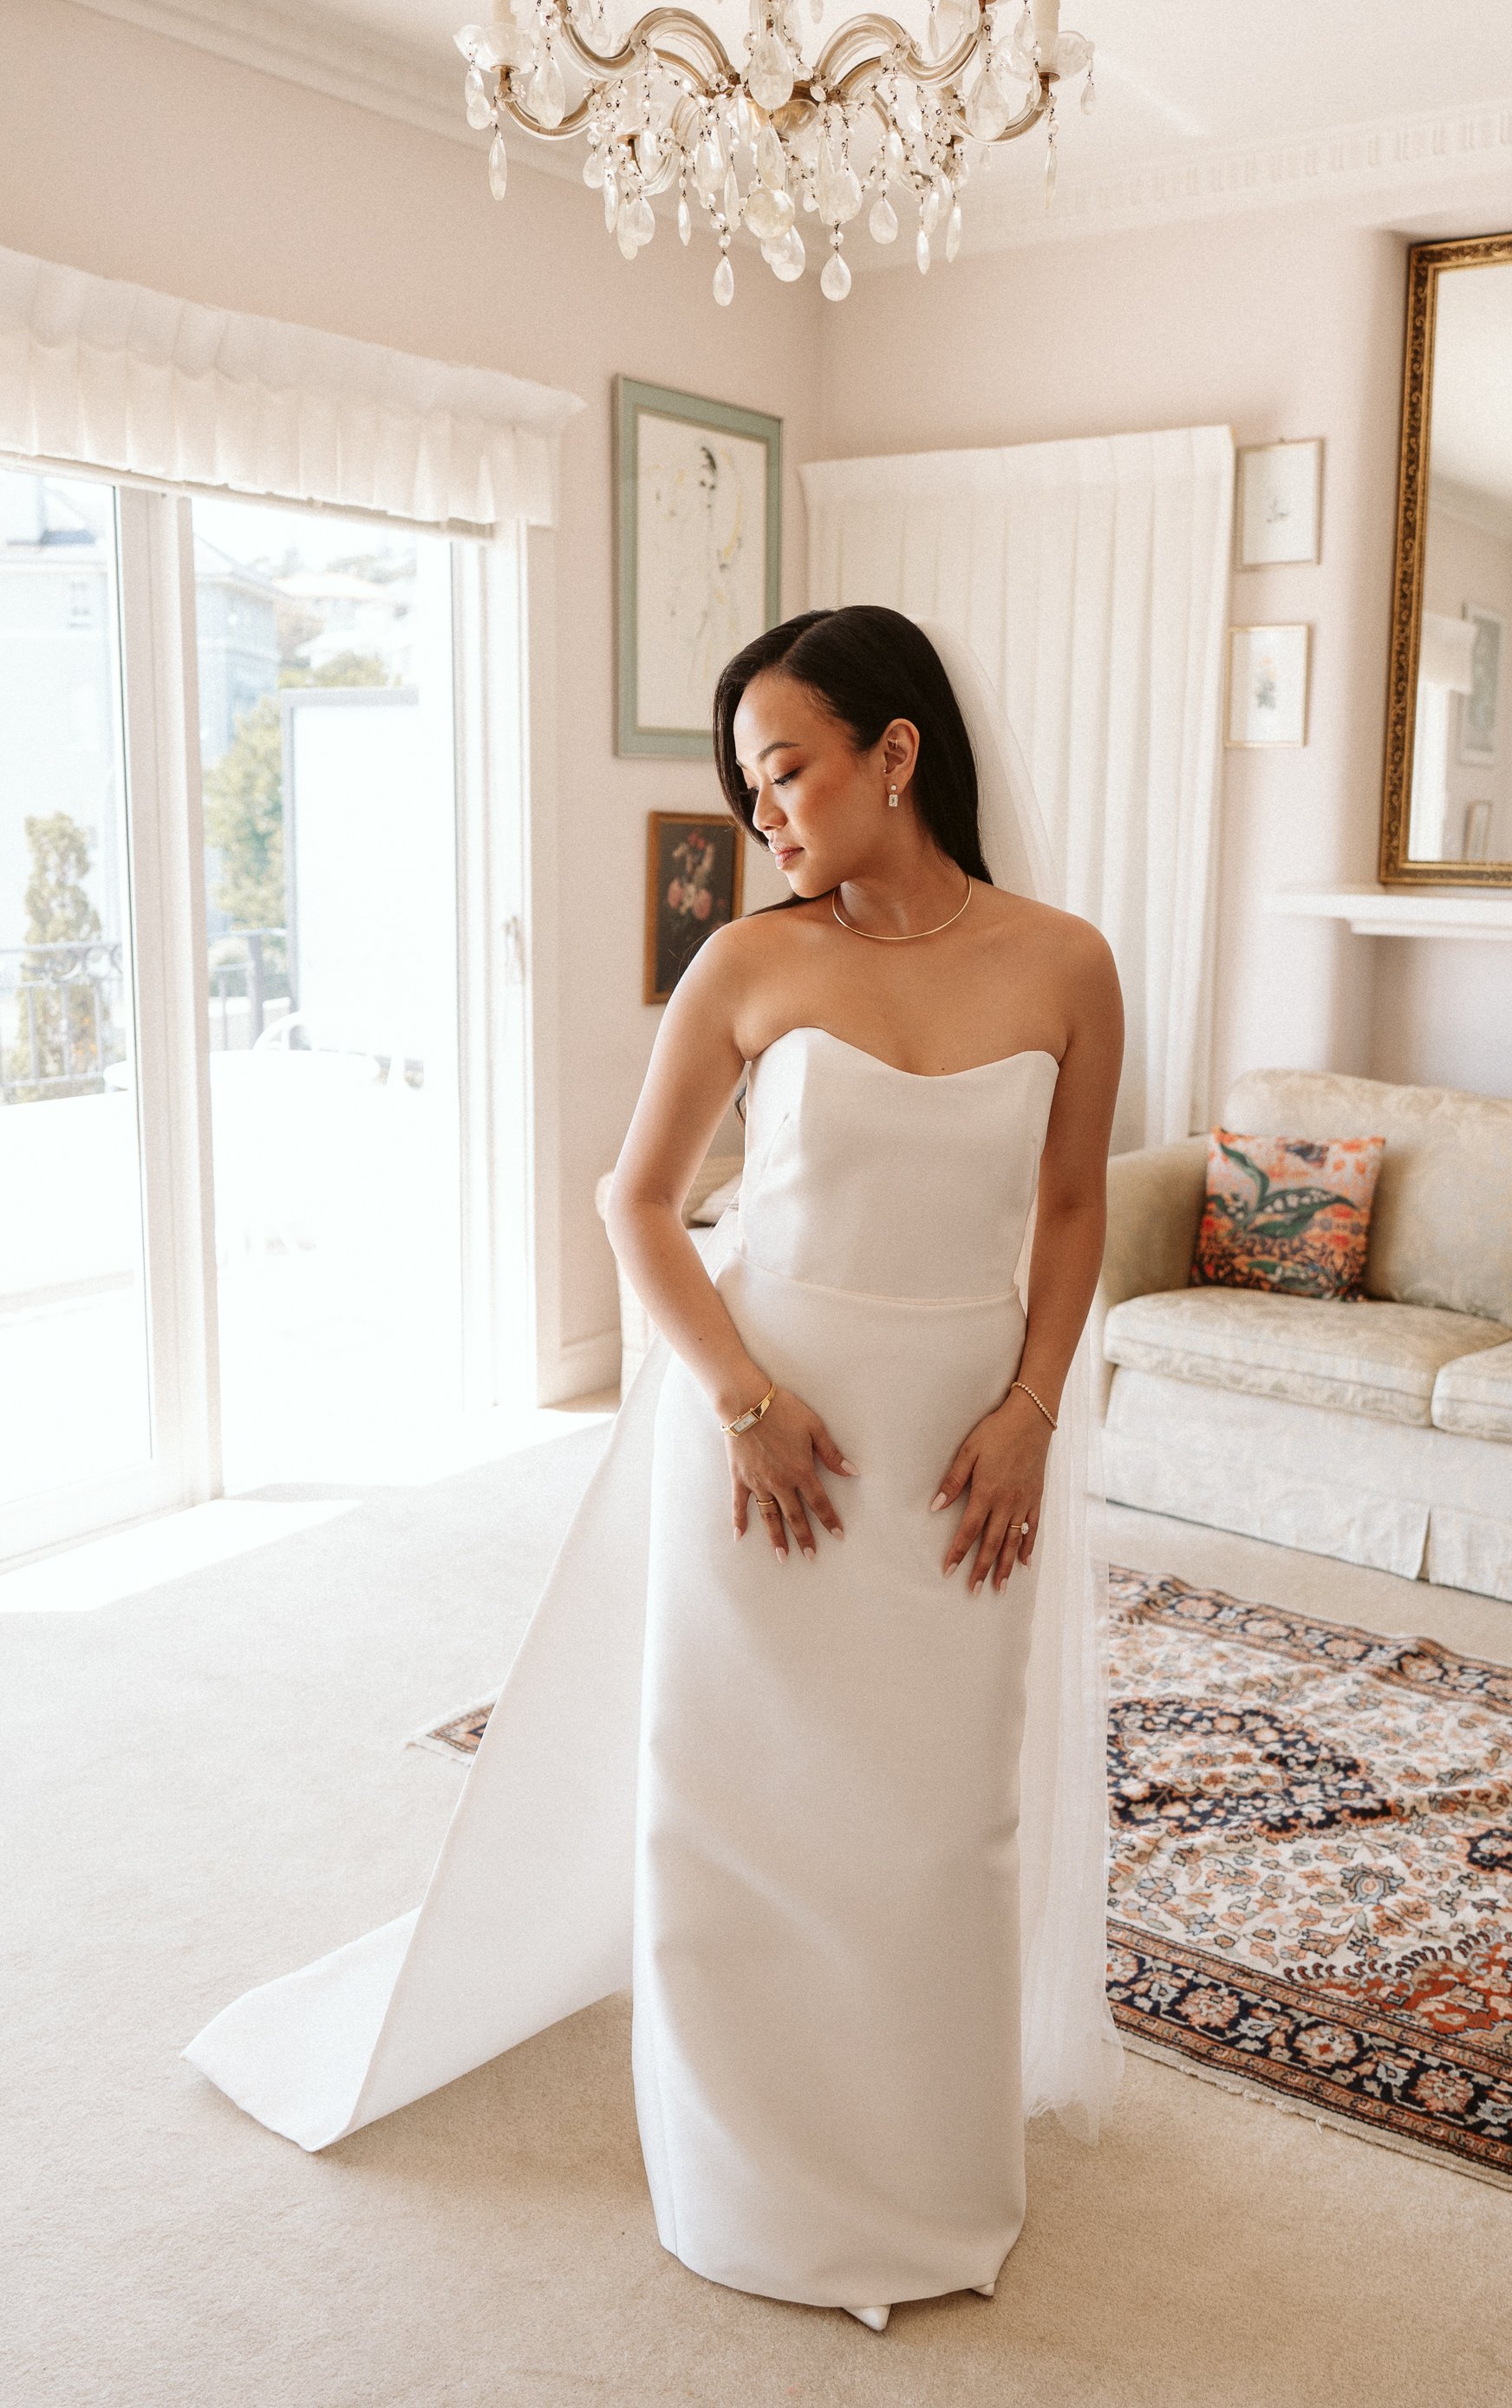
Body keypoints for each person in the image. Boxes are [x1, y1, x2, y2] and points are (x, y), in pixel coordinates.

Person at [185, 605, 1124, 2333]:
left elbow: (1071, 1211)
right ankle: (748, 2186)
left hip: (963, 1445)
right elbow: (634, 1201)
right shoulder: (750, 964)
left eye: (785, 770)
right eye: (746, 783)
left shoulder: (1064, 963)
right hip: (766, 1438)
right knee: (744, 1808)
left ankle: (920, 2182)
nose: (761, 813)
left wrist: (1033, 1408)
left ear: (893, 756)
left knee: (938, 1828)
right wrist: (743, 1402)